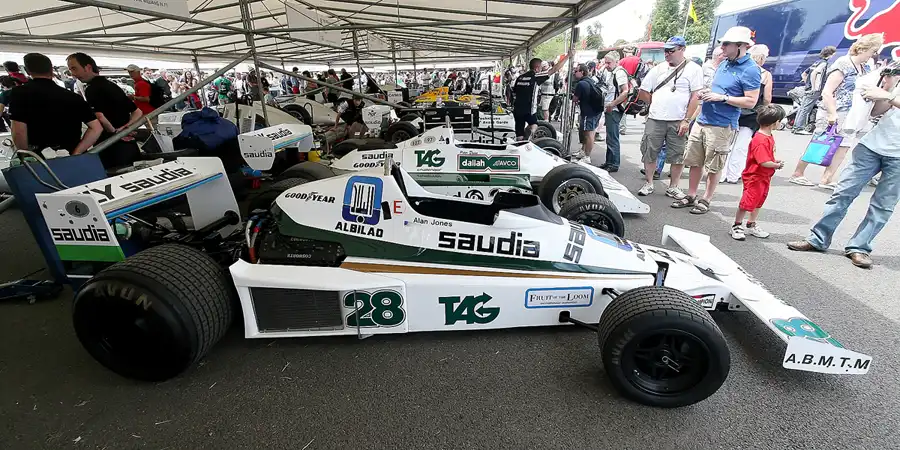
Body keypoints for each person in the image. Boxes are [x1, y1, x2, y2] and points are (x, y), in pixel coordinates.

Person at [787, 63, 900, 269]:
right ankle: (817, 239)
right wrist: (888, 89)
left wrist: (889, 96)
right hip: (871, 146)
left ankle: (859, 247)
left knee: (883, 205)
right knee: (842, 193)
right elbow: (876, 111)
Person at [672, 26, 761, 214]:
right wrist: (708, 93)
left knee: (714, 165)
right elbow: (717, 88)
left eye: (726, 44)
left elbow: (751, 101)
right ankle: (691, 195)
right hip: (703, 120)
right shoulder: (724, 63)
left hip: (722, 124)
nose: (722, 48)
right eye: (723, 44)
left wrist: (723, 98)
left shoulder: (751, 69)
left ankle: (706, 199)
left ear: (741, 46)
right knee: (695, 161)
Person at [788, 34, 884, 189]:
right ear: (863, 48)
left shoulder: (866, 68)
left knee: (844, 145)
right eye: (872, 51)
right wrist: (832, 113)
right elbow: (827, 92)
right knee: (820, 142)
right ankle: (798, 173)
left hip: (853, 113)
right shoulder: (843, 64)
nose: (873, 55)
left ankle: (827, 178)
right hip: (834, 111)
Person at [636, 36, 704, 199]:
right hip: (655, 118)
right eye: (665, 51)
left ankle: (673, 186)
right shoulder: (658, 68)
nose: (667, 54)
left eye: (671, 51)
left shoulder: (694, 69)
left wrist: (687, 120)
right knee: (649, 151)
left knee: (677, 154)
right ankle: (649, 182)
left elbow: (696, 96)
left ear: (682, 49)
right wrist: (656, 103)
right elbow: (643, 91)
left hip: (678, 119)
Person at [8, 53, 101, 155]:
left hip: (40, 159)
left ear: (26, 70)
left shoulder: (20, 94)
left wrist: (26, 155)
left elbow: (18, 131)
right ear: (51, 69)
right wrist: (76, 153)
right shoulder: (73, 97)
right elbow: (96, 128)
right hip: (72, 155)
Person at [67, 52, 143, 168]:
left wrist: (115, 132)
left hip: (110, 147)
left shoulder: (92, 89)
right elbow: (137, 112)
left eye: (74, 68)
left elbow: (100, 117)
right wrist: (126, 128)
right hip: (129, 145)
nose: (73, 74)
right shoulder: (112, 85)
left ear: (88, 67)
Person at [730, 105, 786, 240]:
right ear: (774, 122)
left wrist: (773, 161)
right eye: (780, 120)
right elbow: (763, 162)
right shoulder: (760, 139)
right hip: (755, 176)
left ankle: (751, 223)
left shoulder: (767, 136)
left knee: (759, 201)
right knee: (747, 202)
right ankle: (737, 225)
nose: (780, 123)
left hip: (764, 176)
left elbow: (766, 157)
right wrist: (776, 165)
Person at [722, 44, 774, 184]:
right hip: (751, 114)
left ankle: (721, 173)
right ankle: (734, 175)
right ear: (763, 58)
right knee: (741, 146)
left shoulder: (739, 69)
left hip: (734, 109)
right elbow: (767, 98)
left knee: (727, 143)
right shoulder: (765, 75)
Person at [512, 56, 568, 140]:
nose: (542, 69)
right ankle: (527, 142)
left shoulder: (520, 77)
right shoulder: (536, 76)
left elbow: (515, 91)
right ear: (537, 68)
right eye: (541, 67)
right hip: (529, 109)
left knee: (519, 133)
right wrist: (568, 56)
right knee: (534, 125)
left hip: (517, 109)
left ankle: (520, 143)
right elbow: (553, 69)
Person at [793, 46, 838, 134]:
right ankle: (799, 128)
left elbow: (804, 74)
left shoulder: (816, 62)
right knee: (806, 109)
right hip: (815, 90)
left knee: (803, 108)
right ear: (830, 54)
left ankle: (796, 127)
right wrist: (814, 87)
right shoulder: (823, 64)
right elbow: (814, 73)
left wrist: (808, 84)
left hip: (808, 89)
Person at [600, 52, 630, 172]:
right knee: (610, 137)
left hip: (614, 109)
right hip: (611, 108)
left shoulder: (619, 73)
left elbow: (625, 91)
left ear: (616, 61)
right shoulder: (612, 72)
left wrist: (612, 104)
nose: (606, 65)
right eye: (605, 62)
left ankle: (613, 163)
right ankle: (609, 162)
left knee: (612, 137)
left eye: (609, 62)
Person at [573, 63, 602, 164]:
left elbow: (574, 99)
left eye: (576, 71)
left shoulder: (581, 84)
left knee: (588, 134)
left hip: (588, 111)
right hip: (596, 110)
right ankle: (583, 151)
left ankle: (587, 156)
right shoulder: (591, 81)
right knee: (588, 132)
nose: (574, 73)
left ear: (582, 72)